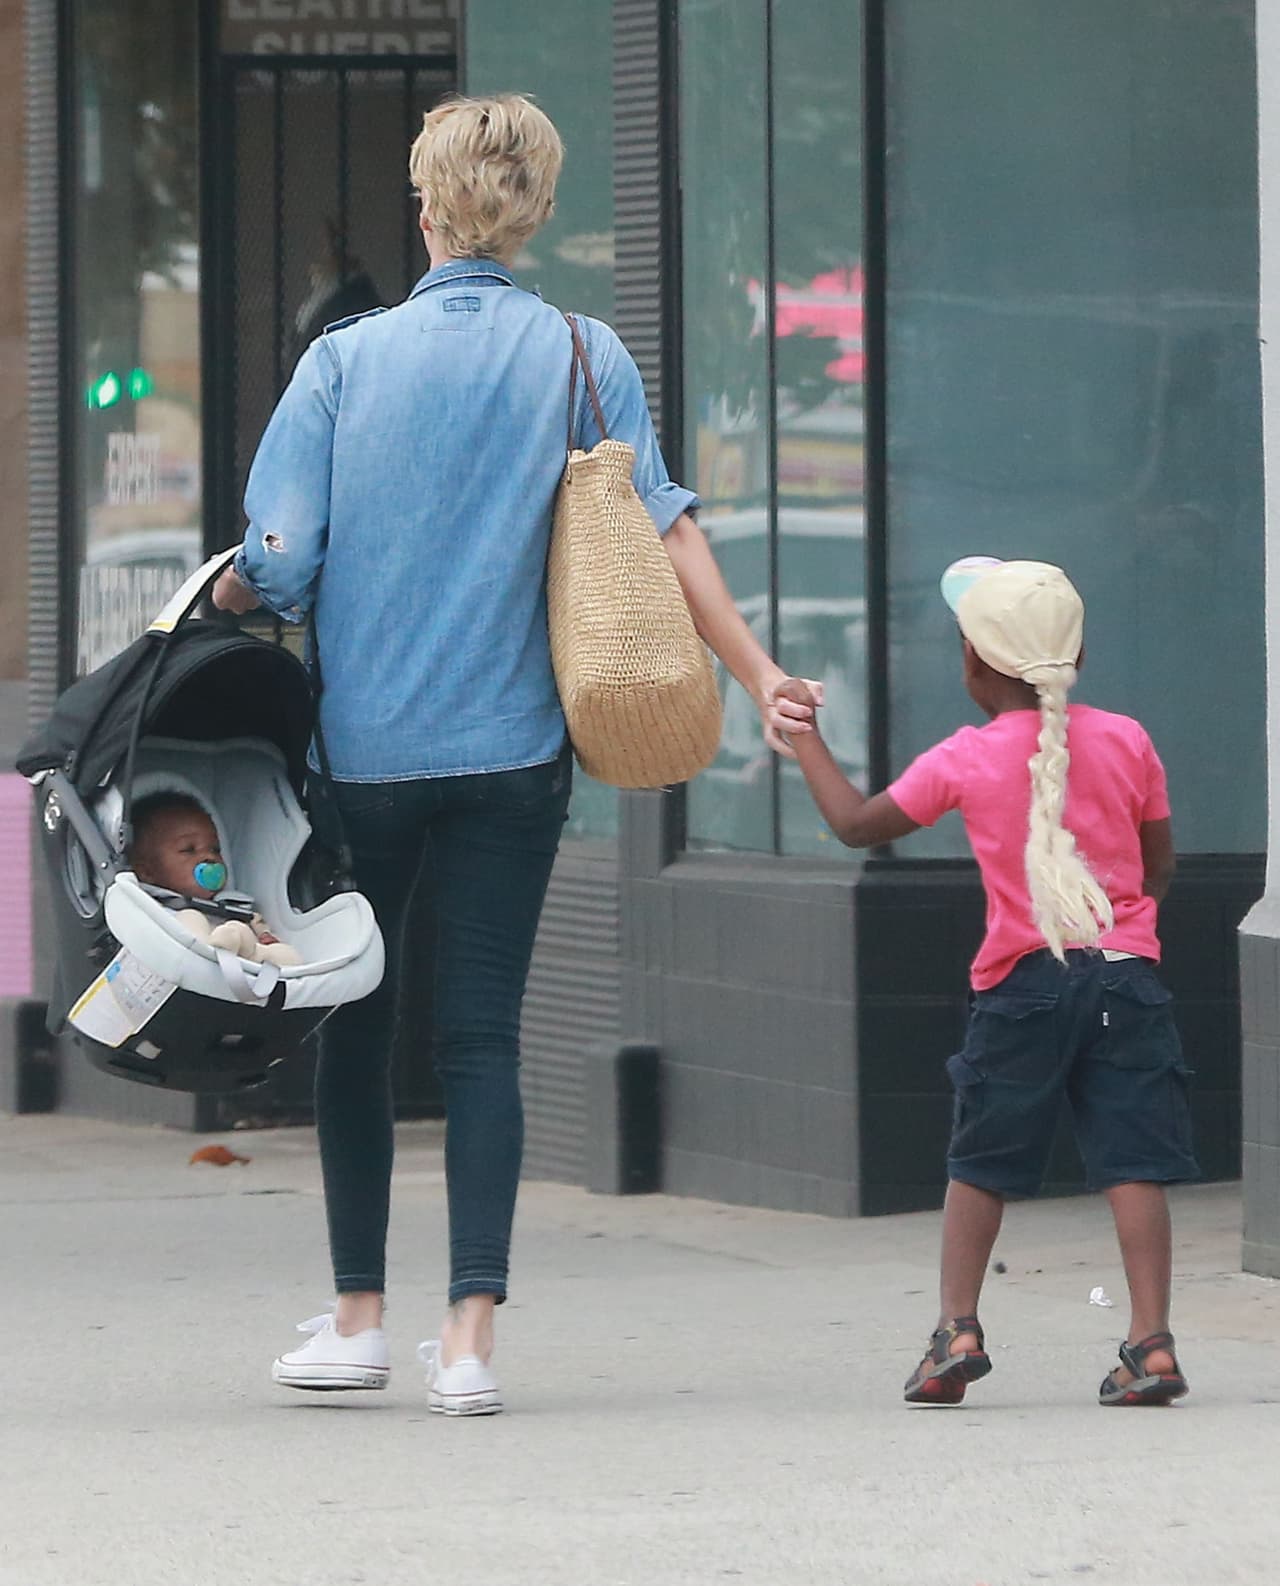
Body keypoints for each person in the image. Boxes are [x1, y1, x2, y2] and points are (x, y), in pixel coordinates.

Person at [212, 93, 815, 1415]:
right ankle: (472, 1341)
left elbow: (283, 558)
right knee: (485, 1035)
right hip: (518, 755)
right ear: (533, 214)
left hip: (365, 759)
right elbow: (667, 532)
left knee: (358, 1024)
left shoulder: (343, 363)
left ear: (425, 211)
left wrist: (237, 595)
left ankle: (360, 1320)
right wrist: (760, 670)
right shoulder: (584, 354)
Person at [778, 557, 1197, 1407]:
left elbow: (857, 825)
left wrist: (803, 736)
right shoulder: (1127, 740)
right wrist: (1123, 927)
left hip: (1022, 986)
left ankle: (956, 1332)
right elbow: (1158, 869)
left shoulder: (964, 759)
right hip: (1127, 981)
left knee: (982, 1162)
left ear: (972, 660)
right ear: (1075, 655)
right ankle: (1150, 1344)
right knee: (1133, 1162)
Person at [129, 792, 301, 968]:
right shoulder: (152, 913)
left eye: (215, 849)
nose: (209, 857)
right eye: (189, 849)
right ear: (147, 872)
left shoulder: (234, 907)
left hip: (249, 971)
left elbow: (260, 926)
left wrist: (266, 938)